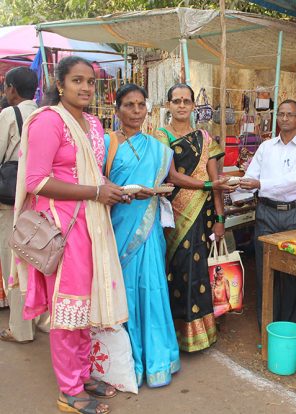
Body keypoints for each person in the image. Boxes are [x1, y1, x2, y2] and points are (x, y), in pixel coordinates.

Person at [12, 56, 128, 414]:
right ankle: (69, 390)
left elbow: (88, 175)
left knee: (83, 307)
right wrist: (95, 192)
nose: (85, 88)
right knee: (69, 308)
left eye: (91, 82)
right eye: (77, 80)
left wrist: (110, 187)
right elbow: (37, 181)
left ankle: (82, 373)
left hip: (90, 224)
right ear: (59, 84)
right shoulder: (49, 121)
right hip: (63, 228)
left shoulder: (93, 124)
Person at [105, 83, 180, 387]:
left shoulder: (160, 149)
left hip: (148, 230)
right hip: (118, 226)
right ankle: (126, 365)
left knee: (151, 288)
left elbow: (173, 179)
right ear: (117, 109)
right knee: (123, 293)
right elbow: (99, 184)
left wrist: (211, 186)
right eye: (129, 105)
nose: (136, 111)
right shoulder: (107, 143)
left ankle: (157, 361)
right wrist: (125, 195)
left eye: (141, 105)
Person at [155, 83, 235, 352]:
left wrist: (221, 219)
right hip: (174, 214)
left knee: (199, 272)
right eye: (175, 100)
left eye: (186, 101)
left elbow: (216, 181)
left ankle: (199, 334)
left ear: (192, 106)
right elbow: (172, 176)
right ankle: (175, 333)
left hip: (202, 214)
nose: (180, 105)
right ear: (168, 105)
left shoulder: (204, 137)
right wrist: (208, 187)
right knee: (175, 272)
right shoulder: (162, 136)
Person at [240, 99, 296, 327]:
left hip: (294, 214)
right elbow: (251, 174)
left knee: (292, 270)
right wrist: (239, 188)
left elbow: (292, 182)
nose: (284, 118)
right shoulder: (266, 147)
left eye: (289, 114)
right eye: (281, 114)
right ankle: (267, 323)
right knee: (265, 270)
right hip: (267, 213)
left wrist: (259, 184)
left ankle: (290, 323)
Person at [0, 67, 50, 342]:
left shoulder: (10, 114)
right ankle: (42, 319)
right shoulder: (46, 114)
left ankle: (20, 329)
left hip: (13, 201)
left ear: (11, 89)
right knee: (39, 259)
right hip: (42, 199)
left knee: (14, 261)